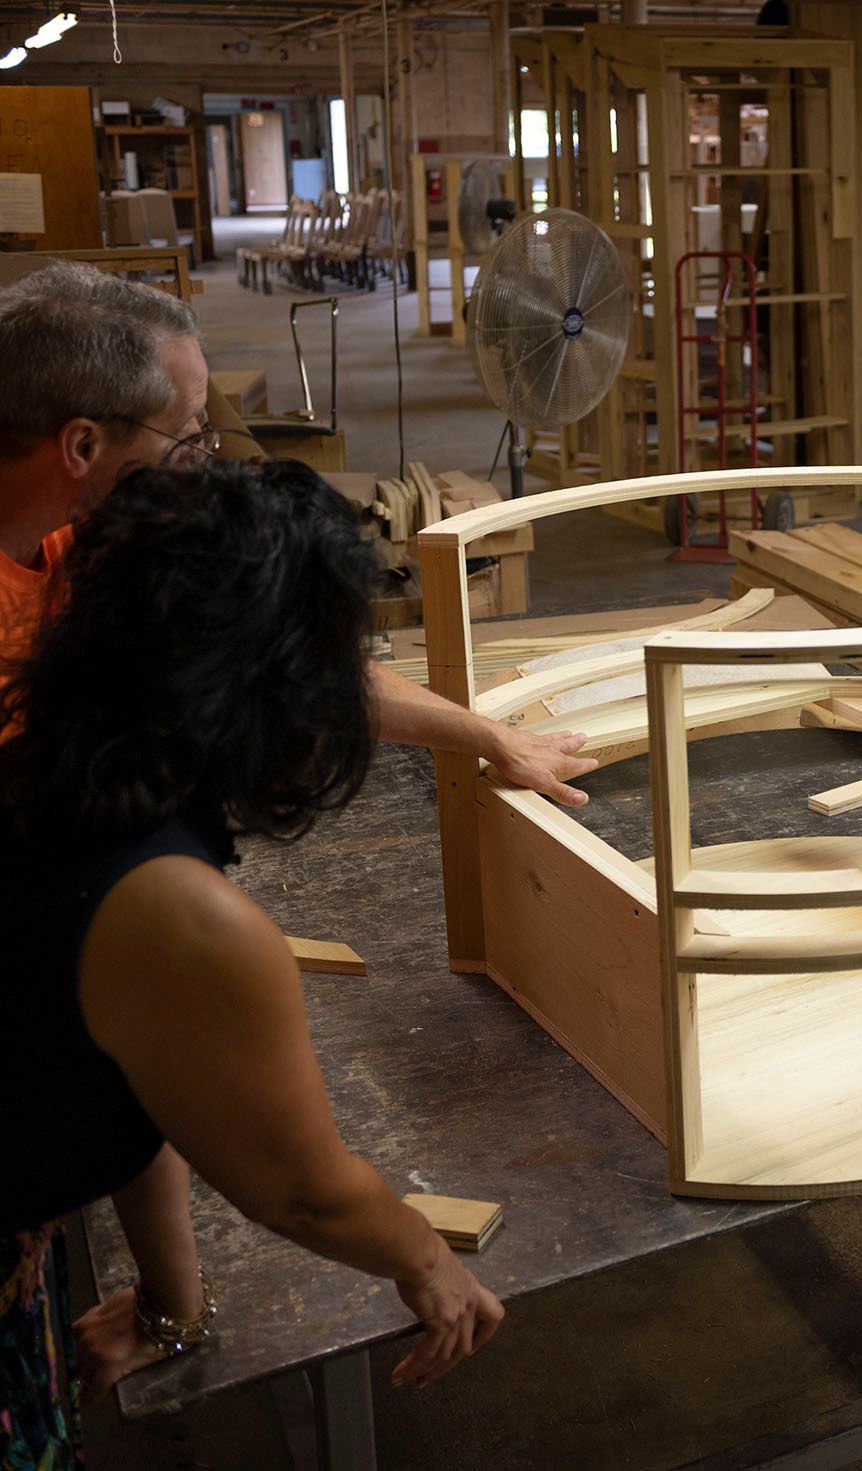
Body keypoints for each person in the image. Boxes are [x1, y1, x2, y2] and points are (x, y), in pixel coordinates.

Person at [0, 460, 509, 1467]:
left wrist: (173, 1307)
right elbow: (302, 1190)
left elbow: (140, 1090)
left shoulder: (60, 768)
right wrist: (423, 1261)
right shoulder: (181, 916)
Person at [0, 260, 596, 805]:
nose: (205, 459)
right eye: (186, 435)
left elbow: (288, 653)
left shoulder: (90, 531)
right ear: (82, 446)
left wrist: (490, 737)